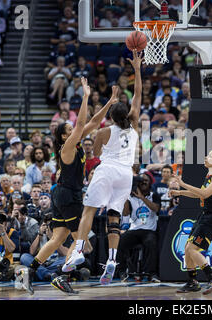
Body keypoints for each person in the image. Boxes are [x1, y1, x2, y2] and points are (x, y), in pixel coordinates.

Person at [16, 77, 116, 295]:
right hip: (69, 195)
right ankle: (60, 275)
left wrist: (110, 102)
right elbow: (81, 124)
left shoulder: (76, 142)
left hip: (61, 194)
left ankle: (28, 274)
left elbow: (92, 122)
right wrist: (86, 96)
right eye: (69, 129)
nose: (75, 129)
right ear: (63, 135)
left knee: (58, 238)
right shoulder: (67, 146)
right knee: (83, 241)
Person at [64, 51, 143, 285]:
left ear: (110, 116)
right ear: (126, 114)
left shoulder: (103, 131)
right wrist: (137, 69)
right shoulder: (135, 123)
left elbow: (96, 154)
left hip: (108, 170)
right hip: (126, 175)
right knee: (114, 216)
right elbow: (138, 94)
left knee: (89, 210)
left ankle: (78, 251)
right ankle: (112, 259)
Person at [169, 149, 212, 294]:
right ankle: (192, 282)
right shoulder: (209, 175)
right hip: (204, 216)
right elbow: (199, 193)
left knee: (192, 249)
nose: (206, 157)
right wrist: (180, 193)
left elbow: (204, 193)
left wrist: (183, 184)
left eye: (210, 156)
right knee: (187, 249)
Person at [116, 172, 161, 282]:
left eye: (146, 180)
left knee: (151, 243)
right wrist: (125, 197)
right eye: (142, 180)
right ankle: (122, 271)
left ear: (150, 182)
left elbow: (156, 209)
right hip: (134, 230)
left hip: (149, 230)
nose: (144, 182)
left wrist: (142, 197)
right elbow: (125, 213)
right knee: (120, 241)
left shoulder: (154, 195)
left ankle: (152, 273)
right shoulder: (131, 198)